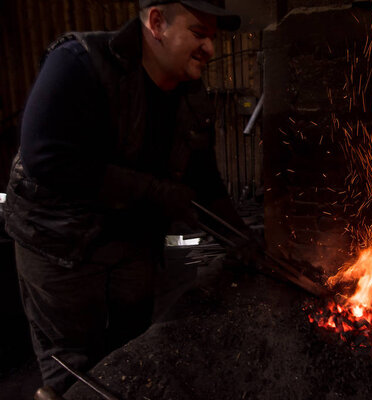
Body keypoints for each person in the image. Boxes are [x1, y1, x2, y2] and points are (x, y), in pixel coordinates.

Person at [4, 0, 252, 394]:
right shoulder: (79, 63)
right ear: (157, 22)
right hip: (60, 247)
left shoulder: (190, 94)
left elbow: (204, 182)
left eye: (213, 38)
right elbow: (46, 158)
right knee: (72, 366)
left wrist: (242, 241)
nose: (211, 49)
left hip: (131, 246)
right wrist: (154, 192)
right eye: (199, 34)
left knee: (130, 355)